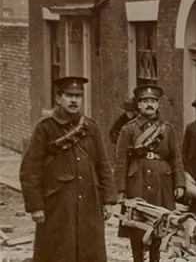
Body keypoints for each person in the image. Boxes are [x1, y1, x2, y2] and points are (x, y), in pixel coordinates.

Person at [19, 76, 118, 262]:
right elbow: (29, 170)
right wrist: (36, 206)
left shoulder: (90, 127)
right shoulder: (45, 128)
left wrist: (108, 200)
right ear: (58, 98)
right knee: (58, 251)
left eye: (78, 96)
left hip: (89, 202)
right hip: (57, 205)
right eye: (69, 96)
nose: (74, 100)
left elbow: (103, 165)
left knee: (90, 252)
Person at [114, 84, 186, 262]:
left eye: (153, 101)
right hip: (137, 180)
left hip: (162, 181)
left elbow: (176, 157)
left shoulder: (167, 129)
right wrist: (121, 189)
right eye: (145, 101)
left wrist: (179, 183)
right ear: (138, 105)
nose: (149, 105)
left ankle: (156, 258)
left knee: (160, 224)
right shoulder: (128, 129)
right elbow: (121, 160)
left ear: (158, 105)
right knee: (136, 224)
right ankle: (137, 259)